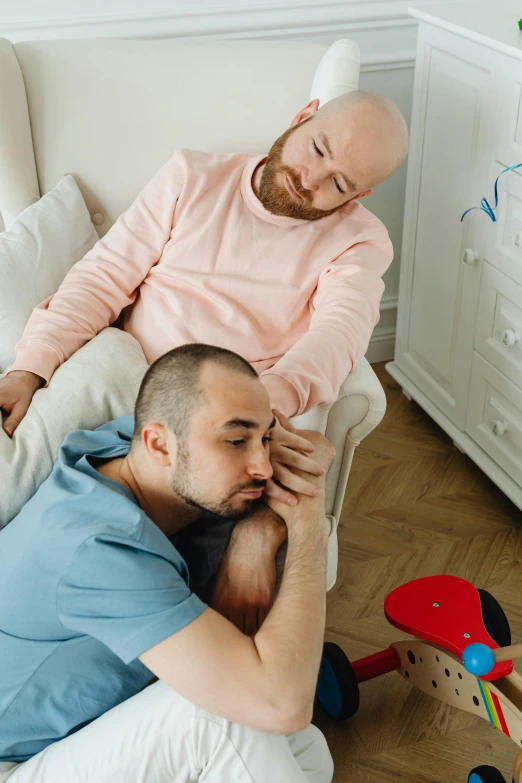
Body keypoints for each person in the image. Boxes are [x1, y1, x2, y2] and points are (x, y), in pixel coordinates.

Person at [0, 344, 336, 783]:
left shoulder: (126, 450)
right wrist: (307, 523)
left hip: (85, 730)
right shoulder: (98, 547)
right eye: (237, 441)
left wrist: (258, 532)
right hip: (17, 762)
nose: (262, 465)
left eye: (265, 437)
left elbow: (315, 448)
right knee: (222, 721)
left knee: (309, 752)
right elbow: (283, 703)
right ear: (158, 444)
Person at [0, 90, 408, 437]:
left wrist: (267, 398)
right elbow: (104, 277)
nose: (310, 180)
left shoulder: (360, 242)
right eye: (318, 149)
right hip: (121, 371)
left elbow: (341, 331)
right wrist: (29, 369)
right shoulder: (191, 175)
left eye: (338, 183)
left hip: (225, 408)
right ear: (302, 117)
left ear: (358, 196)